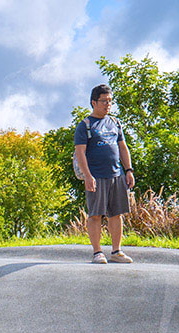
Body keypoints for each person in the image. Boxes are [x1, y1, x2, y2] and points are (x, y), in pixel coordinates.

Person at [74, 83, 136, 264]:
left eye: (110, 101)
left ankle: (116, 251)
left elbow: (123, 148)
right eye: (104, 101)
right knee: (95, 214)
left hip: (116, 175)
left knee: (116, 214)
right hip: (96, 176)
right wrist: (87, 175)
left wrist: (129, 170)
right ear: (94, 102)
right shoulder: (85, 125)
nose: (108, 105)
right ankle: (97, 252)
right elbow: (80, 152)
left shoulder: (115, 123)